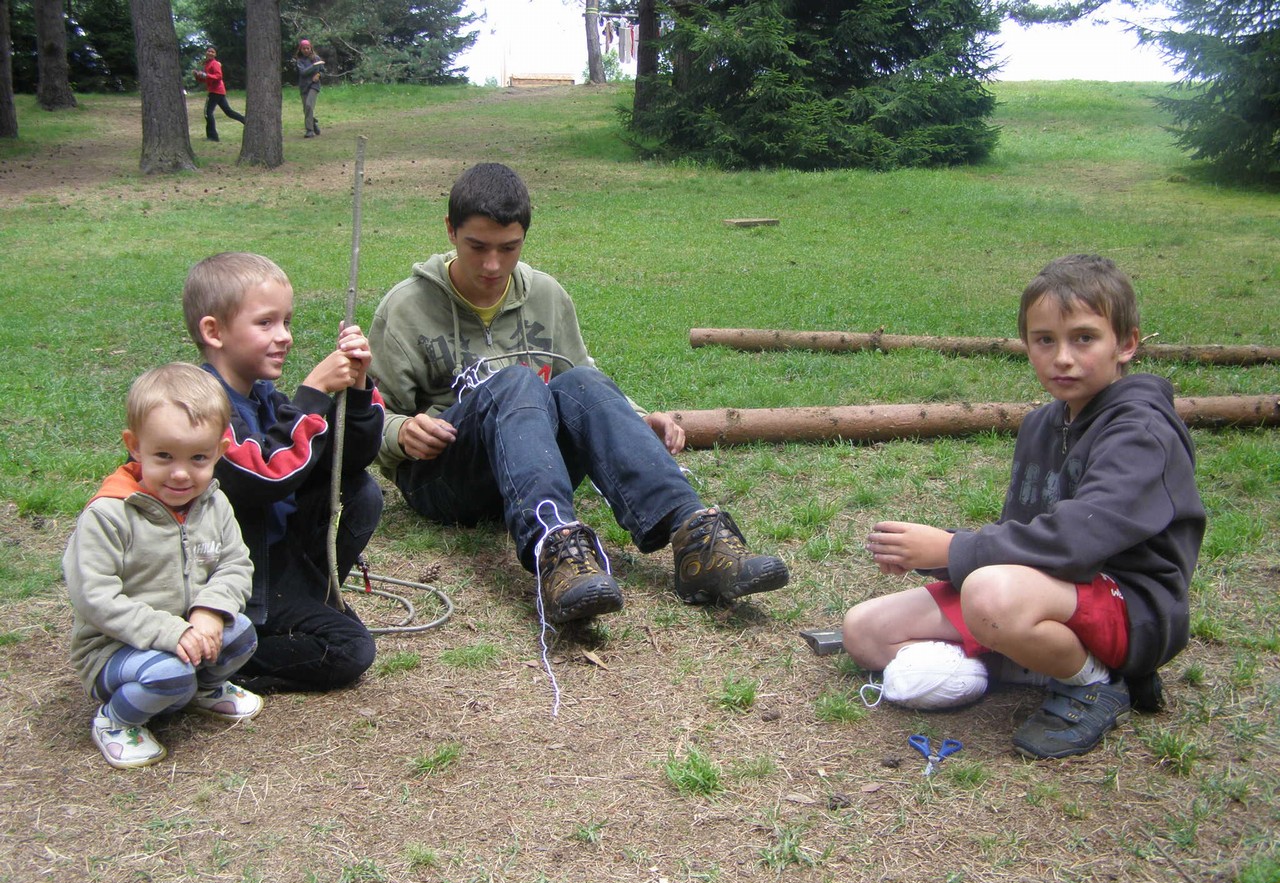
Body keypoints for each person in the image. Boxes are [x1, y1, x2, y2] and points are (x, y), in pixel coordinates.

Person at [368, 162, 789, 627]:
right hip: (447, 477)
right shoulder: (405, 307)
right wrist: (401, 432)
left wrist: (636, 420)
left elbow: (580, 380)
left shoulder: (547, 295)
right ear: (450, 230)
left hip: (534, 461)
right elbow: (367, 416)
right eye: (478, 247)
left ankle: (695, 537)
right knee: (518, 380)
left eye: (509, 248)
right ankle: (556, 550)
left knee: (580, 381)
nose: (493, 265)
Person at [841, 254, 1206, 759]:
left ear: (1126, 343)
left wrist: (951, 549)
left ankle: (1095, 682)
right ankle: (1040, 660)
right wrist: (936, 555)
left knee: (990, 595)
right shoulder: (1041, 425)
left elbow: (1076, 541)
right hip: (1044, 594)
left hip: (1129, 607)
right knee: (866, 633)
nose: (1063, 358)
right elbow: (1024, 538)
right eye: (1045, 340)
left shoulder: (1141, 431)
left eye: (1084, 338)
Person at [183, 252, 384, 693]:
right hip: (236, 578)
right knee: (348, 649)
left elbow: (346, 463)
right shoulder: (202, 410)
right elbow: (262, 477)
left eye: (287, 322)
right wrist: (313, 394)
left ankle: (308, 596)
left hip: (277, 560)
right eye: (266, 323)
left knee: (359, 492)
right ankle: (216, 661)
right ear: (214, 332)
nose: (285, 336)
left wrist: (357, 390)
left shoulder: (264, 398)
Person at [64, 363, 261, 770]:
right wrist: (171, 632)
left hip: (187, 634)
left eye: (198, 457)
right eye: (164, 456)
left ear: (220, 450)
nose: (181, 473)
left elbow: (235, 563)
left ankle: (203, 689)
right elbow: (95, 598)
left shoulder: (214, 503)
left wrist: (210, 610)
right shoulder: (109, 514)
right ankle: (116, 720)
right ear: (135, 446)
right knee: (171, 673)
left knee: (241, 632)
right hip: (116, 649)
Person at [193, 46, 245, 143]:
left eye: (212, 52)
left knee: (207, 113)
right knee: (228, 112)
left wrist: (205, 75)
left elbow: (218, 76)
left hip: (215, 91)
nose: (210, 53)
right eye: (209, 51)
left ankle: (213, 137)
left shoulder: (215, 63)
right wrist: (197, 76)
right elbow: (206, 79)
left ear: (215, 54)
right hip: (218, 91)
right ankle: (246, 121)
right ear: (206, 53)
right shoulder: (207, 64)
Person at [294, 39, 325, 138]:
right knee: (306, 109)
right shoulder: (299, 61)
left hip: (314, 86)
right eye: (304, 48)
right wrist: (314, 66)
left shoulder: (316, 58)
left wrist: (319, 75)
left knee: (308, 105)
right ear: (300, 49)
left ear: (311, 48)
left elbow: (323, 71)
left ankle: (309, 131)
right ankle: (313, 123)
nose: (306, 50)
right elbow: (303, 72)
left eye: (308, 48)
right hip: (303, 87)